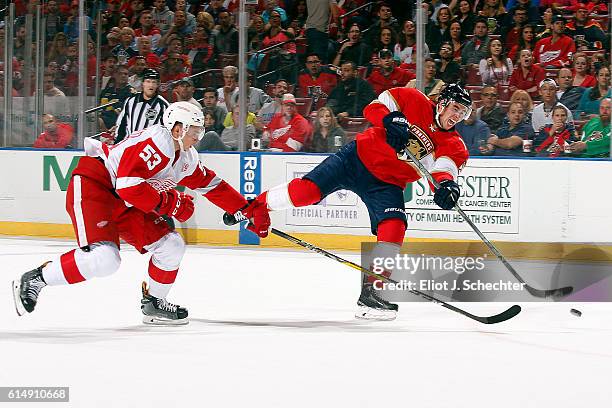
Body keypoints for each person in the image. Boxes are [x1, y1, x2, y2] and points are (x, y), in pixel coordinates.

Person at [13, 102, 270, 324]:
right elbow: (128, 187)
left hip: (127, 201)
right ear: (177, 128)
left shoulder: (187, 157)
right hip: (97, 186)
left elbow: (212, 185)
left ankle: (154, 302)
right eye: (194, 130)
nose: (198, 136)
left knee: (171, 245)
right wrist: (172, 203)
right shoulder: (156, 142)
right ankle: (37, 278)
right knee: (105, 259)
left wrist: (245, 210)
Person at [243, 84, 472, 320]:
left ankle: (373, 292)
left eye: (463, 113)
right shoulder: (412, 98)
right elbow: (372, 108)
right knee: (307, 192)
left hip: (387, 183)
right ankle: (256, 206)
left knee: (394, 225)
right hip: (355, 159)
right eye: (455, 108)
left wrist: (447, 187)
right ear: (443, 102)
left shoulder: (455, 145)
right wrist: (390, 119)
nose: (457, 116)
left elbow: (444, 171)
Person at [115, 69, 169, 143]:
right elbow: (122, 124)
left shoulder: (163, 105)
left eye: (154, 82)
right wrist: (118, 142)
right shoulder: (131, 101)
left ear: (158, 85)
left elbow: (166, 130)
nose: (151, 85)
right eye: (148, 81)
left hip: (149, 149)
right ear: (142, 83)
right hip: (129, 145)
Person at [99, 65, 137, 132]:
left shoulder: (131, 92)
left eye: (126, 74)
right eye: (120, 73)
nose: (123, 76)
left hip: (118, 121)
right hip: (103, 118)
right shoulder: (106, 90)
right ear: (114, 75)